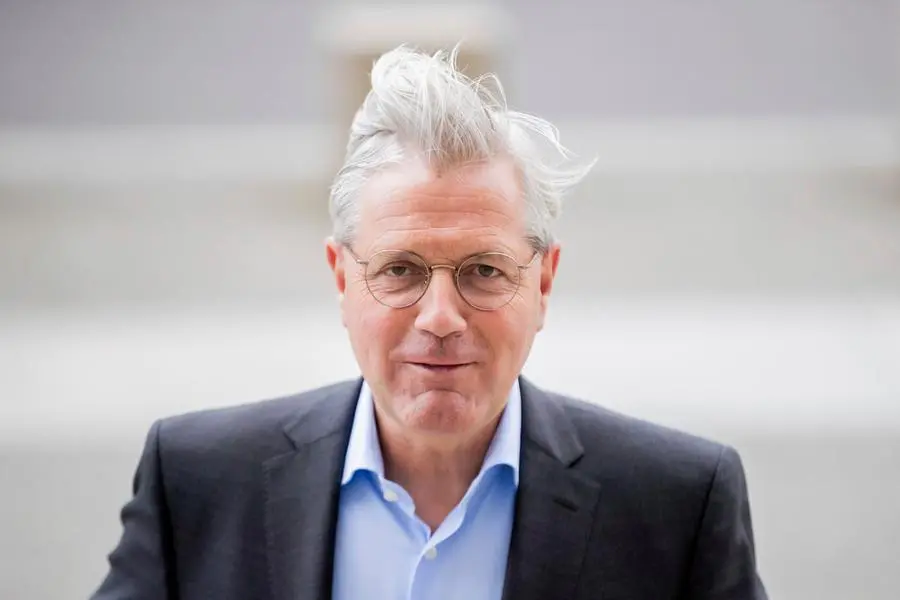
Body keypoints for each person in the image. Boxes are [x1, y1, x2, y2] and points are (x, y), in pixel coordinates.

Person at [92, 45, 768, 600]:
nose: (441, 319)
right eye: (400, 271)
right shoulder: (197, 484)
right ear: (341, 277)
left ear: (544, 281)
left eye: (483, 271)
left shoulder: (677, 505)